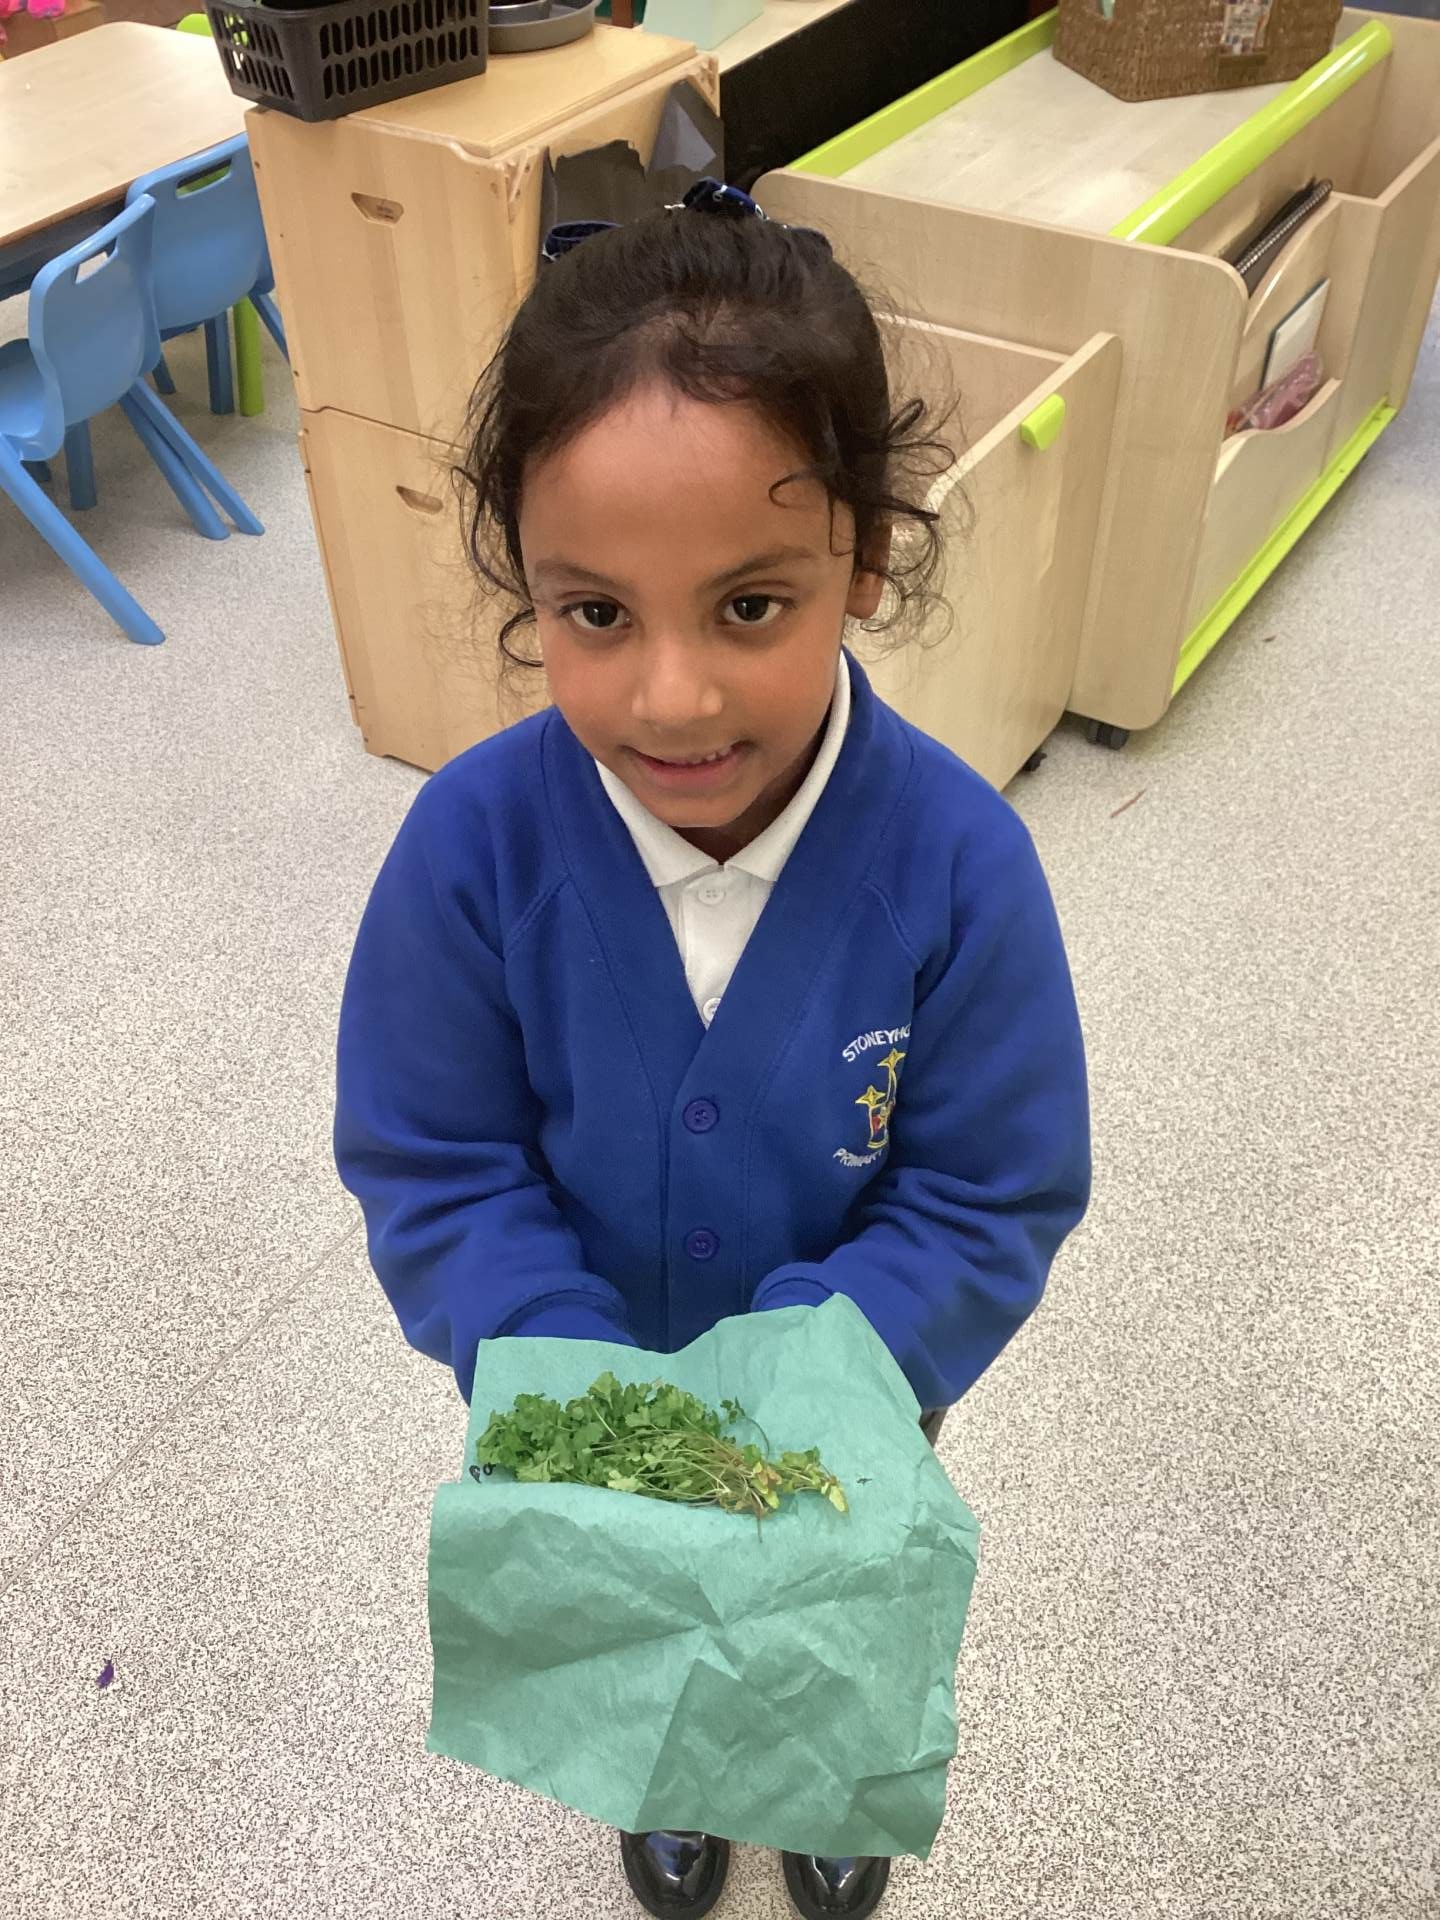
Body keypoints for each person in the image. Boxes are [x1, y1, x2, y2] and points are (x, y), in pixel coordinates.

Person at [335, 181, 1091, 1920]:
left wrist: (829, 1372)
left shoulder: (960, 865)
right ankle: (676, 1779)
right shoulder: (472, 850)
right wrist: (556, 1360)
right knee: (642, 1609)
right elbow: (435, 1160)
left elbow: (993, 1188)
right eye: (596, 614)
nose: (671, 698)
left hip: (857, 1394)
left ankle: (825, 1794)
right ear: (526, 581)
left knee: (822, 1608)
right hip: (581, 1391)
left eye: (750, 606)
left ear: (865, 562)